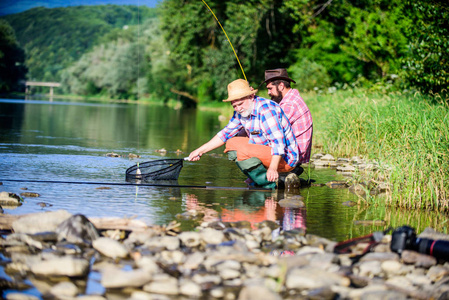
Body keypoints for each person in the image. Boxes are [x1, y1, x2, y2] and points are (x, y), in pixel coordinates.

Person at [188, 79, 299, 189]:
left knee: (240, 151)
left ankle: (270, 183)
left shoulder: (266, 110)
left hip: (285, 158)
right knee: (231, 144)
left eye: (240, 104)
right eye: (234, 106)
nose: (238, 108)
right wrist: (199, 151)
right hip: (267, 151)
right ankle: (260, 178)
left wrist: (273, 168)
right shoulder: (241, 112)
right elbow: (224, 134)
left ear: (251, 97)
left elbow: (278, 142)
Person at [260, 68, 313, 174]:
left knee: (244, 146)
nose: (268, 92)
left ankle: (264, 178)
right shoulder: (291, 98)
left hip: (291, 157)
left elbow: (271, 129)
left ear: (281, 86)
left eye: (270, 89)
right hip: (293, 153)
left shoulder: (289, 104)